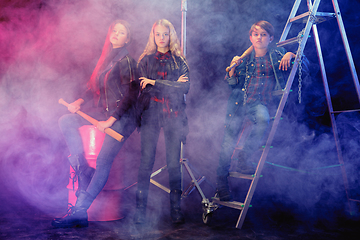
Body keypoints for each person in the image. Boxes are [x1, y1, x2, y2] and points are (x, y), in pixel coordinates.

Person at [52, 19, 139, 228]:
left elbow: (131, 95)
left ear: (128, 38)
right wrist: (78, 102)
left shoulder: (127, 60)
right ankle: (82, 166)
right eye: (115, 31)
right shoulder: (106, 59)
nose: (117, 34)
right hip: (103, 112)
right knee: (66, 120)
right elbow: (93, 88)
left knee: (102, 162)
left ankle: (80, 210)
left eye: (122, 32)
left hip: (124, 117)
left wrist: (111, 120)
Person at [216, 20, 306, 201]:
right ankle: (221, 187)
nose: (259, 37)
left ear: (270, 38)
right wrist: (232, 71)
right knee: (227, 145)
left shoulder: (276, 55)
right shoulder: (243, 60)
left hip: (258, 103)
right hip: (239, 104)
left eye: (263, 34)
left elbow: (304, 67)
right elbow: (232, 84)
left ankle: (244, 157)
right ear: (250, 37)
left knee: (263, 119)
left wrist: (292, 54)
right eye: (256, 34)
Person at [134, 19, 190, 224]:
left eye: (165, 34)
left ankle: (176, 210)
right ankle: (140, 211)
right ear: (153, 36)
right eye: (157, 34)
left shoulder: (179, 60)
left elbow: (184, 88)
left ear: (170, 35)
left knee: (174, 164)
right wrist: (171, 84)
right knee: (146, 162)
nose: (161, 38)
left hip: (174, 115)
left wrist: (156, 82)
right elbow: (144, 88)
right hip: (150, 114)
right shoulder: (145, 60)